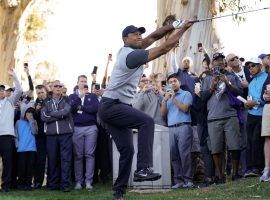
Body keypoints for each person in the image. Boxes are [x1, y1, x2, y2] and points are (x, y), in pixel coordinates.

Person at [98, 20, 194, 200]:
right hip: (111, 105)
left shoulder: (134, 48)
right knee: (147, 121)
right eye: (135, 34)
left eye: (139, 33)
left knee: (127, 151)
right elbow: (163, 48)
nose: (139, 36)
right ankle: (143, 168)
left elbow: (153, 37)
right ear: (125, 39)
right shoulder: (130, 55)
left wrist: (174, 24)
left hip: (116, 106)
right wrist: (183, 29)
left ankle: (118, 193)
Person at [160, 73, 193, 188]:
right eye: (170, 82)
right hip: (171, 128)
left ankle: (188, 180)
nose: (172, 83)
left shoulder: (186, 94)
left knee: (184, 154)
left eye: (174, 81)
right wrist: (165, 100)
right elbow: (162, 114)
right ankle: (178, 181)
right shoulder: (167, 97)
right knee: (174, 155)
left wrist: (173, 99)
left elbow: (185, 109)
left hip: (184, 126)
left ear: (179, 82)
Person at [41, 80, 74, 192]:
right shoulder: (46, 101)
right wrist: (59, 115)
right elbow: (44, 117)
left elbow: (65, 112)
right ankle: (53, 184)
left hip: (66, 134)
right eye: (56, 86)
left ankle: (64, 185)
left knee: (65, 160)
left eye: (60, 86)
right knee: (52, 159)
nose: (58, 88)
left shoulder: (66, 99)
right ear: (52, 88)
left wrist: (52, 114)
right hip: (51, 136)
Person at [69, 75, 99, 190]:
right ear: (77, 82)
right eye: (81, 81)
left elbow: (95, 109)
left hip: (91, 128)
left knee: (90, 154)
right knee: (78, 156)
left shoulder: (92, 96)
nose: (83, 83)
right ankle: (78, 182)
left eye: (85, 81)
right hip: (77, 128)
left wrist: (81, 106)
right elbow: (71, 109)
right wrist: (79, 98)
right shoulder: (72, 96)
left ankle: (88, 182)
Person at [0, 69, 23, 192]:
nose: (1, 91)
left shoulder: (10, 101)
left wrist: (14, 76)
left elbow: (19, 90)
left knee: (7, 162)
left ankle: (6, 186)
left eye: (2, 90)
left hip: (7, 136)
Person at [15, 102, 38, 190]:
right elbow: (16, 135)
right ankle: (20, 184)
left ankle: (28, 184)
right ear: (24, 112)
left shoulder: (34, 122)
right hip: (21, 149)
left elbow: (35, 132)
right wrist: (17, 145)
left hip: (31, 149)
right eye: (28, 112)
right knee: (21, 168)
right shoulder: (18, 122)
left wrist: (31, 120)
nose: (29, 114)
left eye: (31, 113)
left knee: (30, 168)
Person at [33, 84, 48, 189]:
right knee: (40, 160)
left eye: (42, 92)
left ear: (45, 91)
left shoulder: (51, 101)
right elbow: (33, 119)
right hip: (40, 136)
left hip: (51, 134)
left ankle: (52, 182)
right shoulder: (36, 103)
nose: (40, 94)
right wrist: (36, 111)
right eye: (38, 93)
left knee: (52, 159)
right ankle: (38, 182)